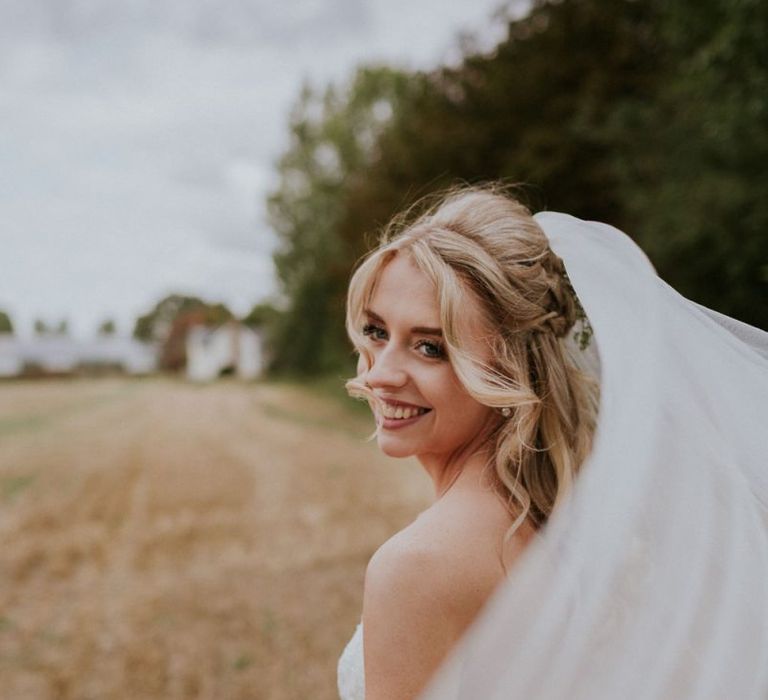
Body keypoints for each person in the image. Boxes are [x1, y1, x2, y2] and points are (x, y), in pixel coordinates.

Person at [338, 186, 768, 700]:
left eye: (431, 347)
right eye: (376, 331)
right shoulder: (575, 527)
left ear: (508, 367)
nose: (380, 373)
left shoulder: (415, 567)